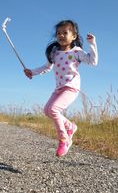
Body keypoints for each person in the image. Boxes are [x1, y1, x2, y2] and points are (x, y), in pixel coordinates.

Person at [24, 20, 98, 157]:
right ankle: (70, 126)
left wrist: (92, 44)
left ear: (74, 36)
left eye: (65, 32)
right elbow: (46, 67)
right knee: (47, 110)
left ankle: (64, 140)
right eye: (58, 33)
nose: (61, 35)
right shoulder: (54, 52)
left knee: (53, 109)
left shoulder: (76, 51)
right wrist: (32, 72)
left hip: (71, 87)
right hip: (59, 88)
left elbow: (93, 62)